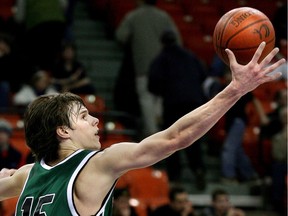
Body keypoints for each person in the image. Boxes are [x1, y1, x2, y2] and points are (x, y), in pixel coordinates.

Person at [0, 42, 285, 216]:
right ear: (63, 131)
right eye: (84, 116)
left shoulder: (26, 176)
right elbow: (175, 137)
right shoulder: (96, 164)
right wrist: (236, 89)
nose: (95, 121)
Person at [148, 30, 207, 189]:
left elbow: (152, 83)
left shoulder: (162, 58)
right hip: (194, 103)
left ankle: (175, 177)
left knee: (172, 139)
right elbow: (203, 74)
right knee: (194, 139)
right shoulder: (190, 56)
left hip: (173, 103)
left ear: (162, 43)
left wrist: (167, 90)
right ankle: (199, 169)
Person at [115, 0, 182, 138]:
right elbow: (177, 41)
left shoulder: (133, 16)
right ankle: (164, 139)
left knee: (147, 104)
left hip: (143, 69)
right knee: (160, 106)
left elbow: (120, 36)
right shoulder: (164, 16)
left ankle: (154, 140)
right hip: (165, 71)